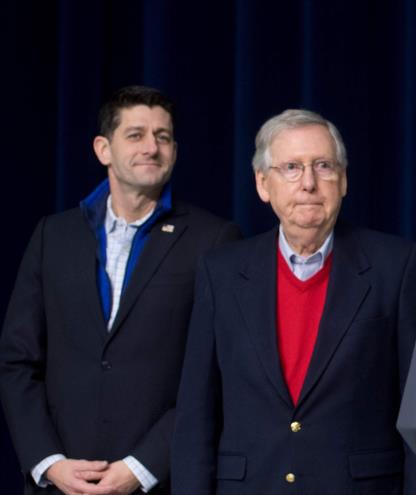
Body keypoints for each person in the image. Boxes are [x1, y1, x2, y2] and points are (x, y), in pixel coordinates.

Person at [172, 109, 416, 494]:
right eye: (291, 167)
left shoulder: (396, 267)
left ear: (344, 180)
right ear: (262, 184)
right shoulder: (221, 273)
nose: (309, 183)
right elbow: (195, 416)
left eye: (323, 166)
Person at [0, 85, 240, 495]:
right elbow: (17, 362)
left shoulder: (214, 240)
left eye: (163, 137)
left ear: (175, 151)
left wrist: (143, 467)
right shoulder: (51, 236)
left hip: (157, 482)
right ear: (103, 149)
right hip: (59, 485)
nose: (152, 147)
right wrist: (50, 463)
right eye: (136, 135)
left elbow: (217, 374)